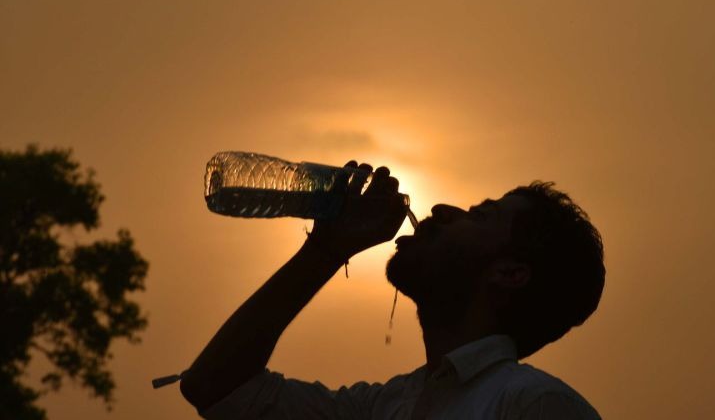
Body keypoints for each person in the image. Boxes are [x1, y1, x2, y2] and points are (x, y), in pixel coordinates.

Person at [180, 161, 605, 419]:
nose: (442, 210)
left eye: (479, 216)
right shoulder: (385, 408)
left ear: (510, 273)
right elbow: (215, 387)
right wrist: (327, 248)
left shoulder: (535, 406)